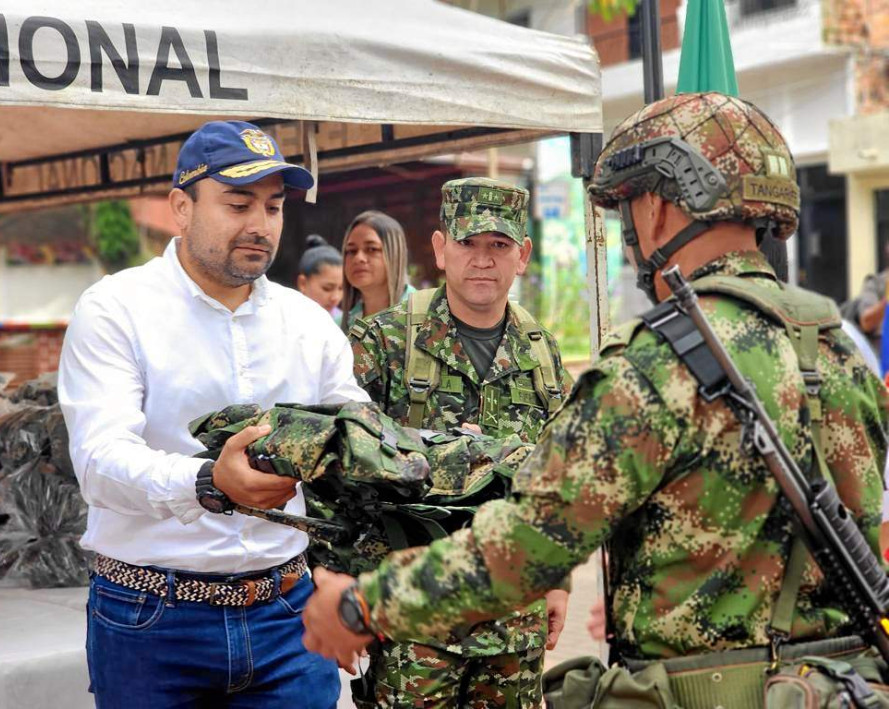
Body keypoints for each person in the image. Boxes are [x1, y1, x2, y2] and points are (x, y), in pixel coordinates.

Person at [301, 93, 889, 708]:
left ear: (656, 210)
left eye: (629, 211)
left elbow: (528, 542)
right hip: (835, 688)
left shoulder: (654, 367)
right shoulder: (837, 348)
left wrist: (363, 604)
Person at [59, 120, 368, 708]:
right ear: (181, 207)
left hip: (288, 614)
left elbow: (357, 444)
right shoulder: (116, 309)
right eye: (237, 203)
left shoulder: (308, 323)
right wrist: (208, 482)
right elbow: (99, 461)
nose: (260, 225)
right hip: (152, 616)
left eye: (273, 207)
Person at [347, 177, 574, 707]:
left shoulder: (541, 353)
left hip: (514, 624)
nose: (483, 260)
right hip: (412, 621)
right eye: (468, 243)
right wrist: (346, 592)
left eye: (499, 245)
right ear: (440, 248)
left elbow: (558, 479)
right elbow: (340, 470)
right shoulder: (384, 342)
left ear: (522, 255)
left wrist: (558, 580)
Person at [340, 210, 413, 331]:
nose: (358, 258)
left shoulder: (423, 314)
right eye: (352, 251)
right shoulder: (338, 326)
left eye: (371, 249)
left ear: (395, 255)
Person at [297, 234, 344, 320]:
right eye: (327, 288)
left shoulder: (343, 321)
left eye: (341, 289)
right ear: (303, 283)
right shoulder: (285, 315)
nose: (335, 297)